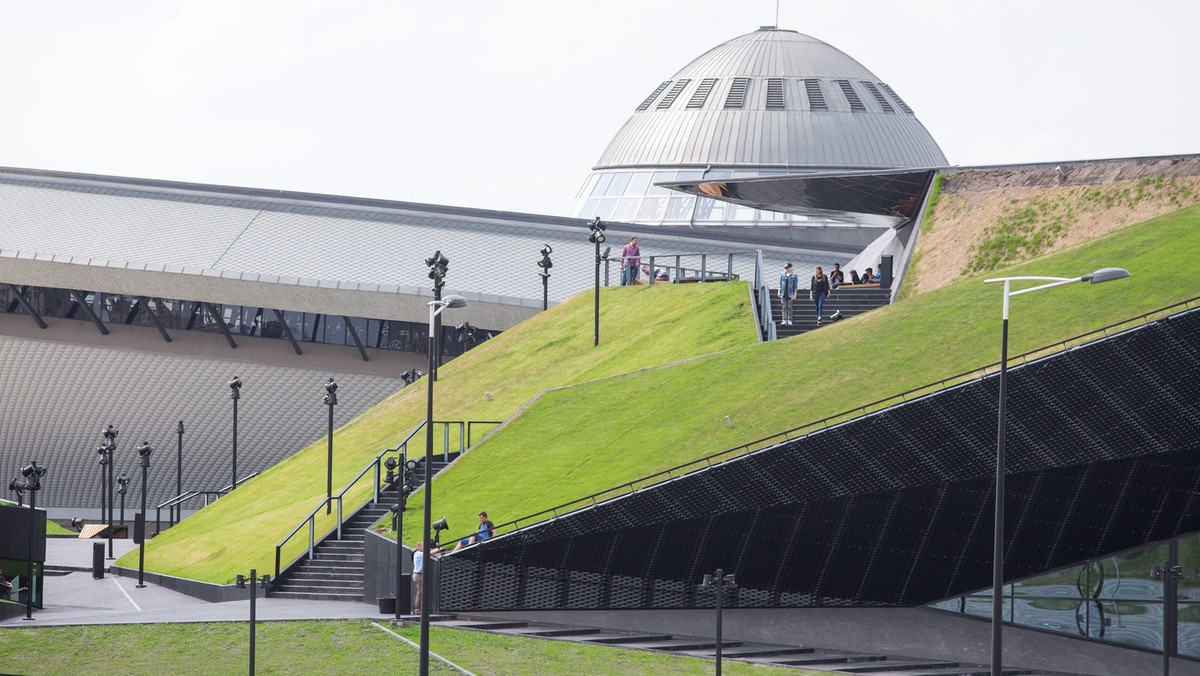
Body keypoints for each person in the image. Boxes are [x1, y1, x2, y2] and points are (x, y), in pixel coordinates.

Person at [412, 541, 425, 614]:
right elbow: (429, 553)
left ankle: (417, 609)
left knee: (418, 592)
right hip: (419, 575)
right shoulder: (421, 554)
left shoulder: (417, 553)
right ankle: (417, 610)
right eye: (423, 546)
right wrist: (439, 550)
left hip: (415, 574)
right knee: (419, 592)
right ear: (419, 547)